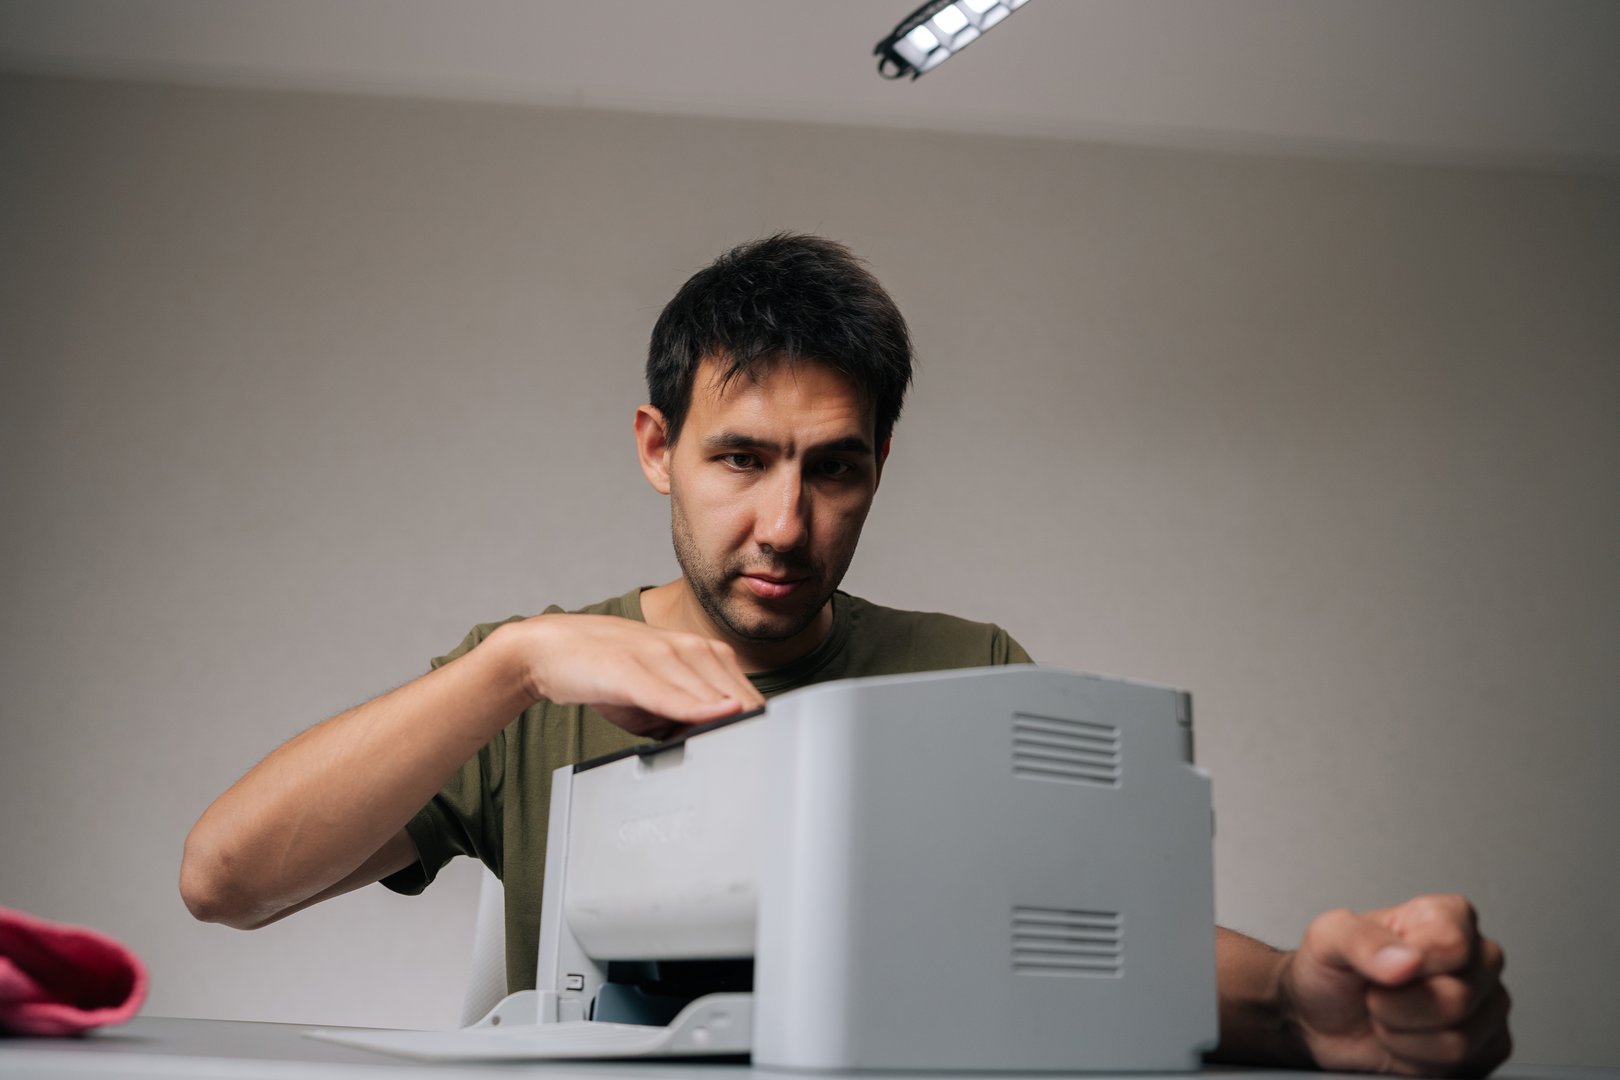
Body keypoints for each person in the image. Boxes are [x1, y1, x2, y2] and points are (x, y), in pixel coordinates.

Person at [181, 233, 1510, 1075]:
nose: (786, 525)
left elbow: (1098, 943)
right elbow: (226, 881)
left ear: (880, 463)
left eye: (836, 469)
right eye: (742, 459)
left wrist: (1293, 997)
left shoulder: (967, 667)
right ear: (657, 448)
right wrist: (514, 664)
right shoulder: (536, 682)